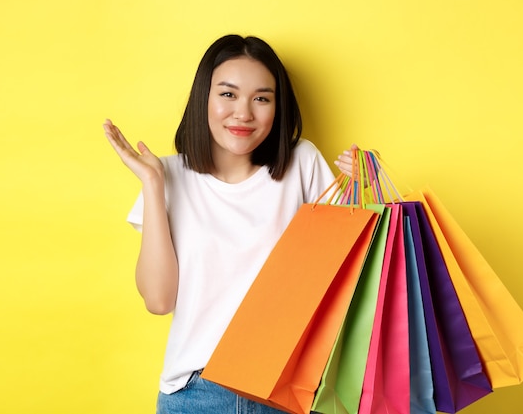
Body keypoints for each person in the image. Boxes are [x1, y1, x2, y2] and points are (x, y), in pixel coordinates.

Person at [103, 34, 358, 414]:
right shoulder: (169, 174)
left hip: (288, 390)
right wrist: (153, 184)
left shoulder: (302, 163)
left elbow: (353, 272)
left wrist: (363, 189)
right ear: (203, 99)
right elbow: (158, 301)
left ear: (278, 107)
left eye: (261, 98)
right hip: (195, 393)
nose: (244, 113)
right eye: (228, 94)